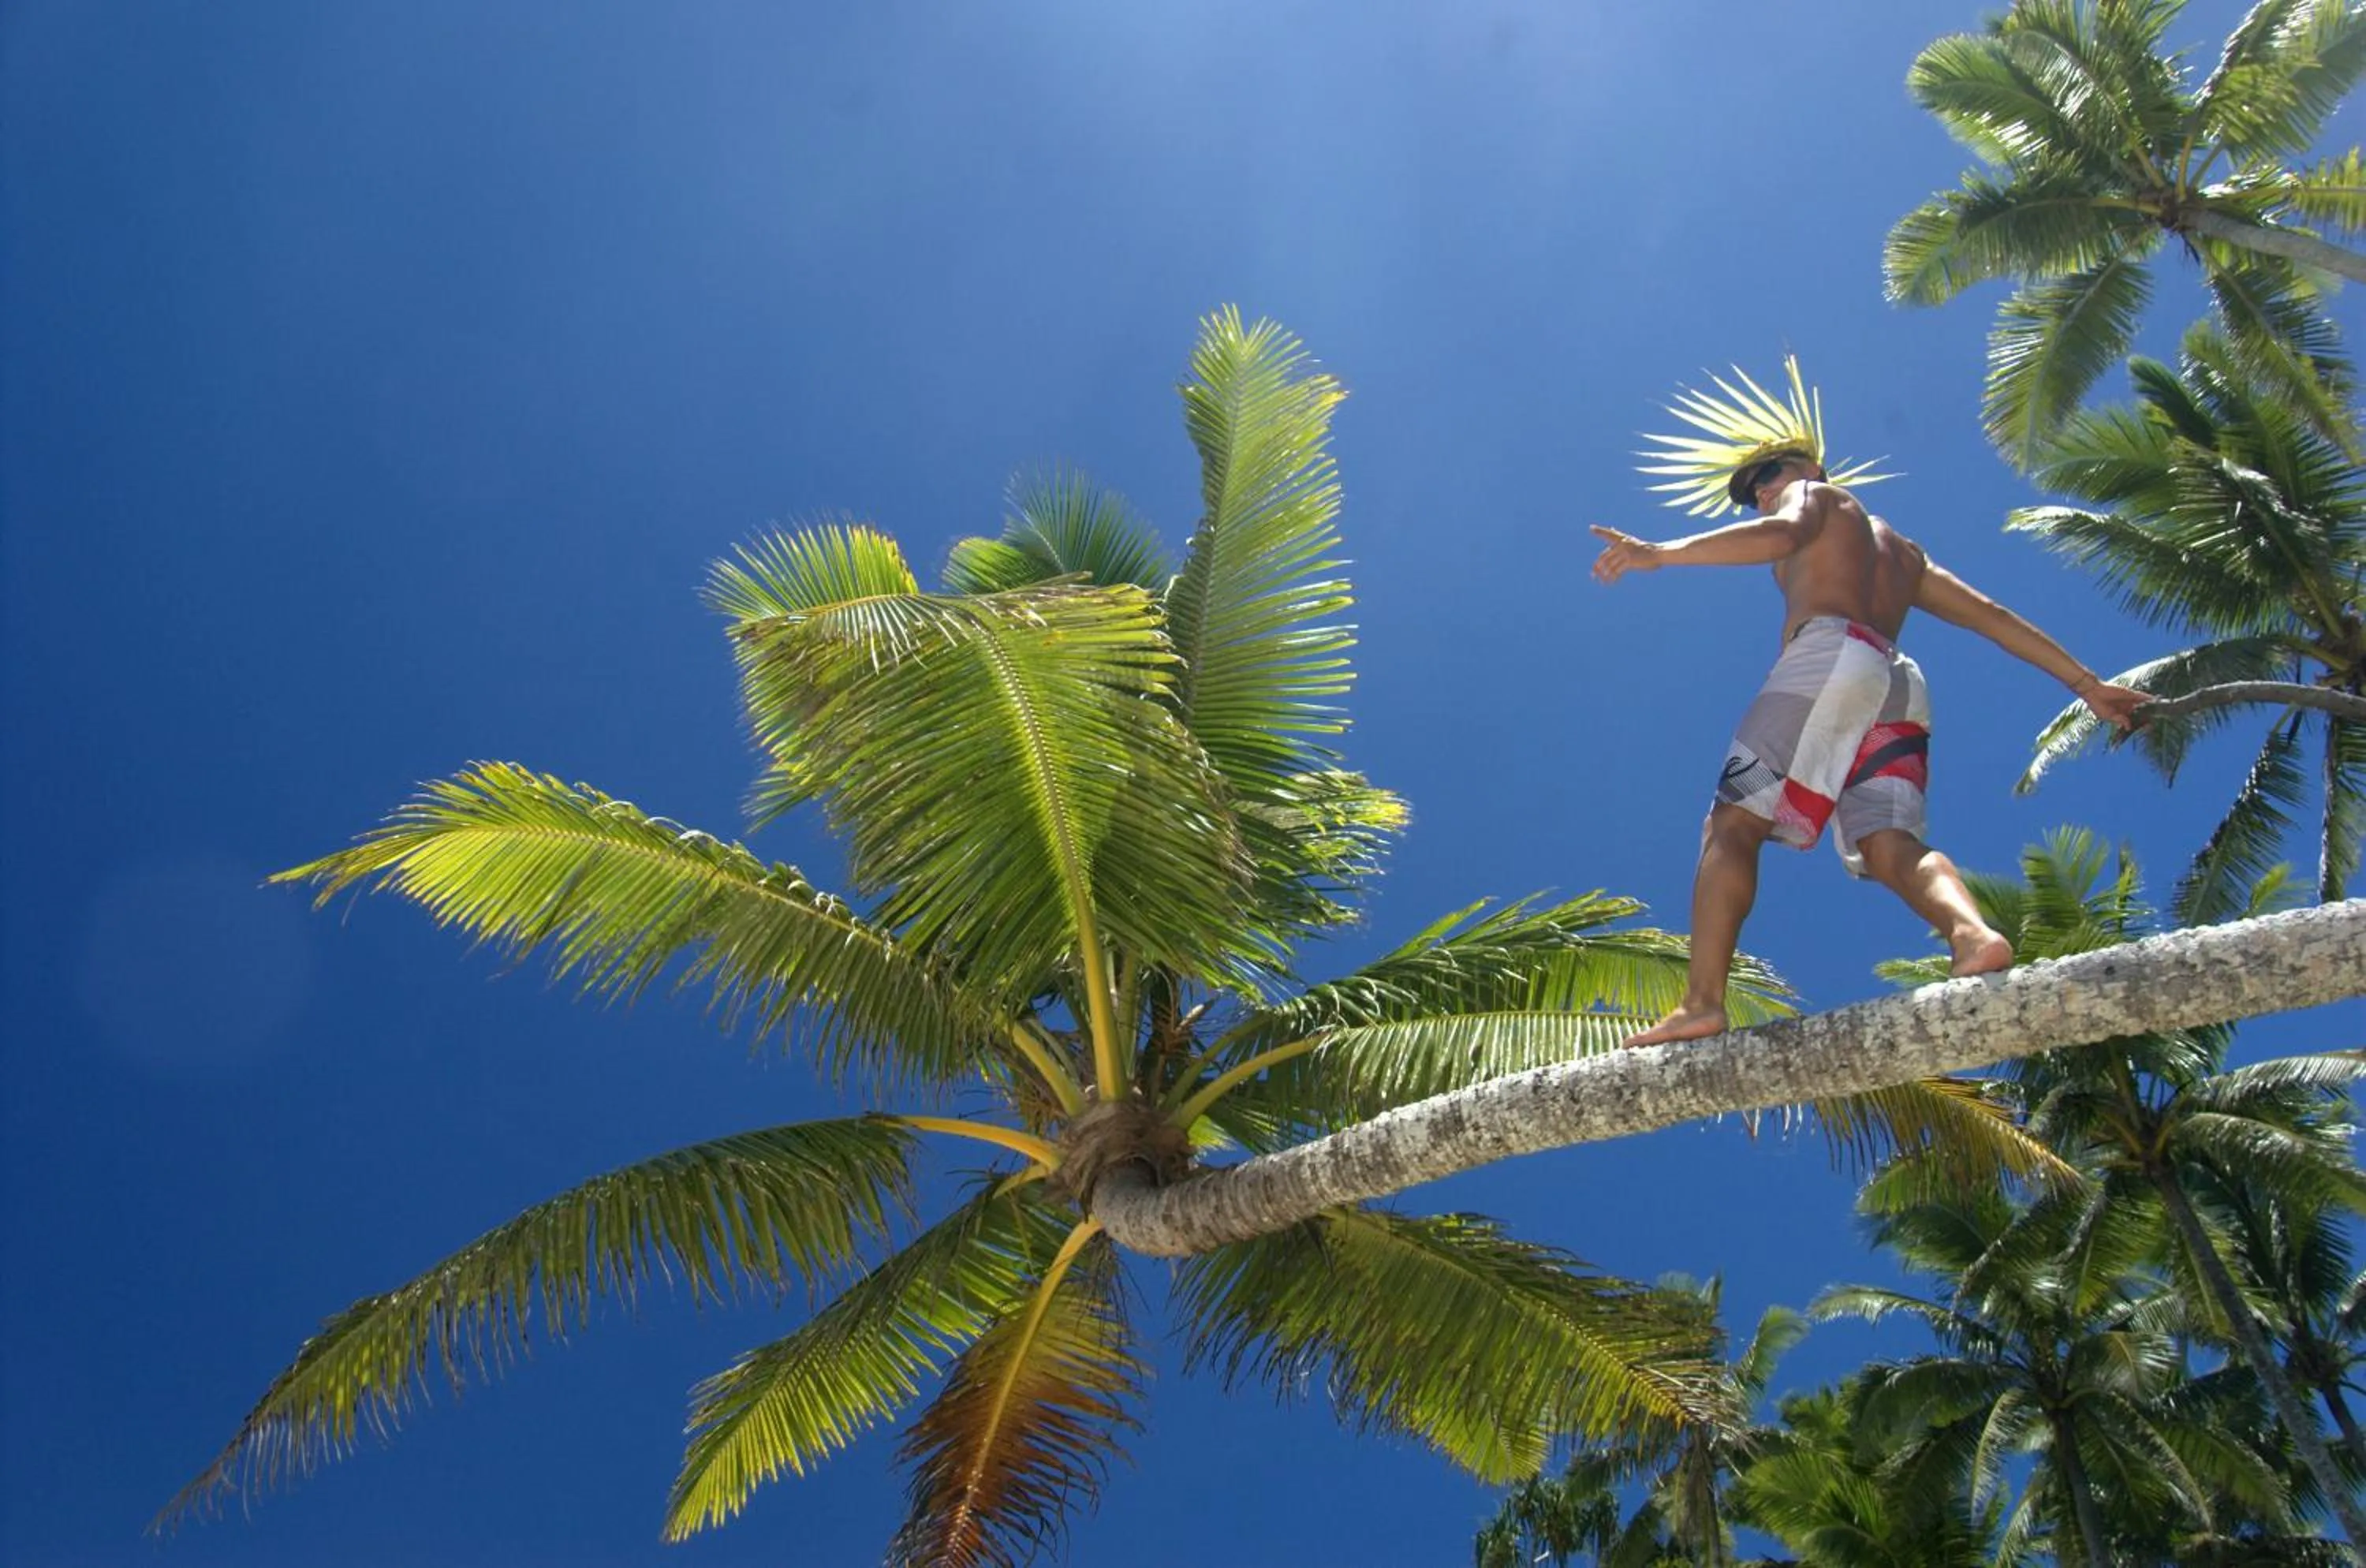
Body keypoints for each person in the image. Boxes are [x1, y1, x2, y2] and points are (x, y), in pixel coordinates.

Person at [1592, 358, 2148, 1048]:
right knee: (1889, 845)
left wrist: (1662, 554)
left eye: (1771, 474)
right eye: (1753, 489)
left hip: (1830, 657)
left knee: (1732, 825)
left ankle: (1701, 1000)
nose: (1763, 492)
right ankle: (1971, 936)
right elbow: (1989, 615)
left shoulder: (1821, 502)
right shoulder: (1904, 552)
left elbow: (1787, 535)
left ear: (1811, 468)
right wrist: (2087, 684)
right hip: (1898, 682)